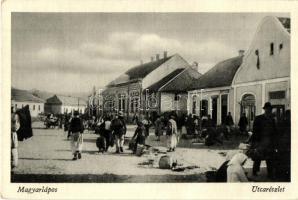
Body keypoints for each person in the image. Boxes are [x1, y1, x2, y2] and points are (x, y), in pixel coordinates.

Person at [250, 102, 277, 179]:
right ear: (265, 109)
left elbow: (275, 131)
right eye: (267, 109)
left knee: (270, 158)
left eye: (270, 109)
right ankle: (255, 171)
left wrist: (274, 141)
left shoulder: (272, 119)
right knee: (258, 157)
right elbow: (255, 131)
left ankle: (270, 174)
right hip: (260, 141)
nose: (269, 110)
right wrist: (255, 143)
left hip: (269, 142)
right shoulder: (258, 118)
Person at [275, 110, 291, 181]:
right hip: (284, 145)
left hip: (284, 145)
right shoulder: (284, 123)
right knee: (284, 160)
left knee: (283, 160)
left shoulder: (282, 122)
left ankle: (281, 175)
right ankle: (282, 175)